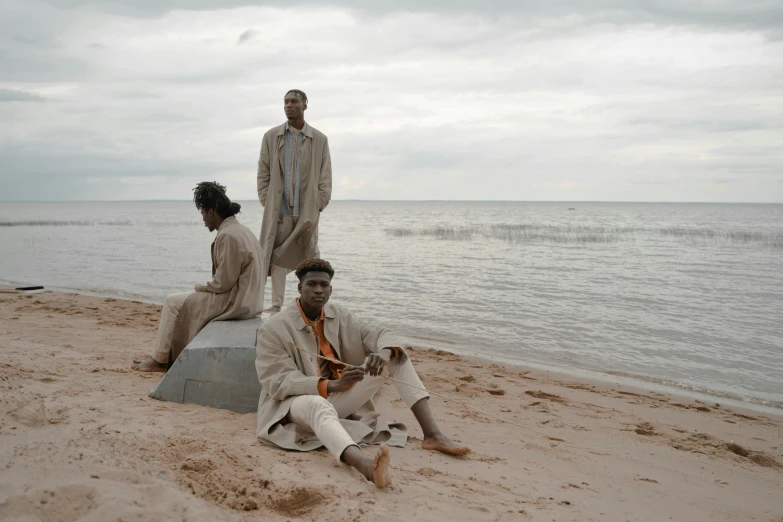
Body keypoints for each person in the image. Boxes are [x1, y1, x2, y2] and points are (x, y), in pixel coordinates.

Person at [254, 259, 469, 488]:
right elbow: (278, 381)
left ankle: (432, 435)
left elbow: (381, 333)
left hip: (338, 400)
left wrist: (384, 354)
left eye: (324, 284)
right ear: (299, 288)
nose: (318, 289)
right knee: (319, 406)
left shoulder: (340, 315)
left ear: (331, 289)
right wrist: (332, 385)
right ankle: (366, 466)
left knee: (394, 357)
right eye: (311, 284)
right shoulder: (273, 328)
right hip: (294, 407)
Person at [132, 182, 264, 372]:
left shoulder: (228, 235)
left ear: (211, 212)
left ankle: (160, 360)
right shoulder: (242, 230)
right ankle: (167, 356)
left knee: (172, 302)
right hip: (250, 301)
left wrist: (200, 288)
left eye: (202, 213)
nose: (203, 220)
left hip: (236, 303)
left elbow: (223, 283)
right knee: (183, 301)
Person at [256, 89, 332, 314]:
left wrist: (320, 202)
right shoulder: (271, 136)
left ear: (305, 106)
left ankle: (310, 304)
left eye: (294, 101)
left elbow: (325, 174)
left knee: (310, 256)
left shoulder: (319, 139)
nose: (289, 105)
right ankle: (276, 305)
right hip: (279, 211)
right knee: (277, 257)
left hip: (307, 210)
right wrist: (266, 200)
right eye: (286, 102)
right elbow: (263, 172)